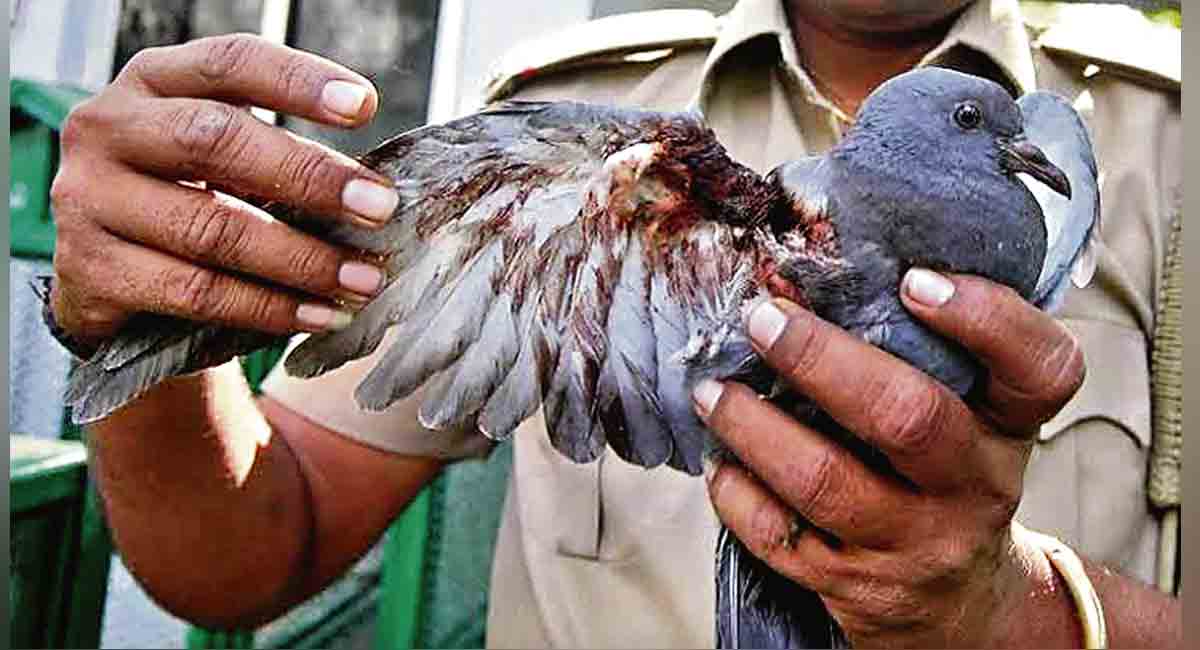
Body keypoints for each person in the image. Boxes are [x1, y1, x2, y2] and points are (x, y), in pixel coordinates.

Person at [46, 0, 1181, 647]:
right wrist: (138, 300)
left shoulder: (1170, 141)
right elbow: (239, 549)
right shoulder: (602, 147)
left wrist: (1018, 612)